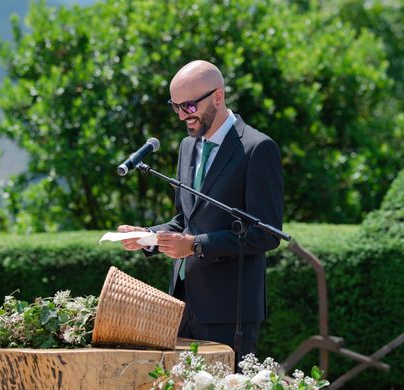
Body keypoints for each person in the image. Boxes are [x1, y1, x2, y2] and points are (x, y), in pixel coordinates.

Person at [119, 60, 283, 357]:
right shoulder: (187, 146)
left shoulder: (258, 149)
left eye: (190, 106)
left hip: (229, 313)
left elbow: (266, 234)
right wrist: (149, 236)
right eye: (176, 106)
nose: (183, 116)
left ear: (217, 97)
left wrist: (195, 246)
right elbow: (186, 220)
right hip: (182, 305)